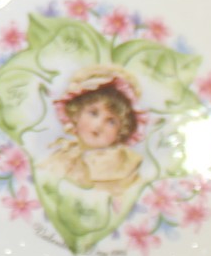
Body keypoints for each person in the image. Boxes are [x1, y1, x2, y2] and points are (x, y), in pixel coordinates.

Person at [43, 65, 145, 202]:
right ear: (76, 114)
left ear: (121, 131)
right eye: (93, 113)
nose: (99, 126)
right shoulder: (65, 156)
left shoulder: (121, 165)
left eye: (111, 121)